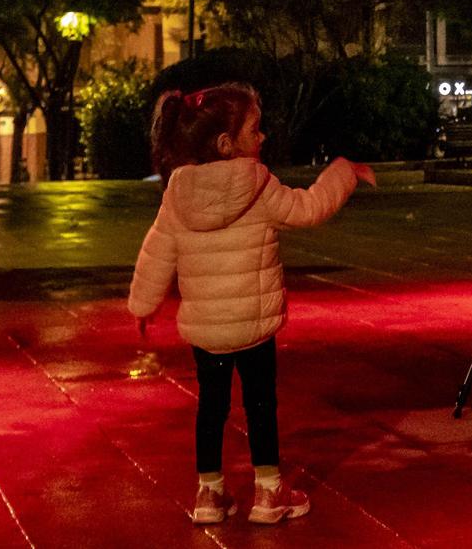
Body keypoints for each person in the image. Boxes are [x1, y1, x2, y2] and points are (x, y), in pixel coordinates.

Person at [128, 83, 375, 527]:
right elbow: (310, 208)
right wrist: (345, 172)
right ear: (226, 144)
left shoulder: (177, 194)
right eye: (255, 130)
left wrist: (143, 304)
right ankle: (268, 491)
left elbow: (156, 251)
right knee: (261, 404)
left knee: (211, 407)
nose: (263, 138)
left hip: (206, 330)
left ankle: (210, 492)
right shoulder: (258, 185)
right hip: (254, 325)